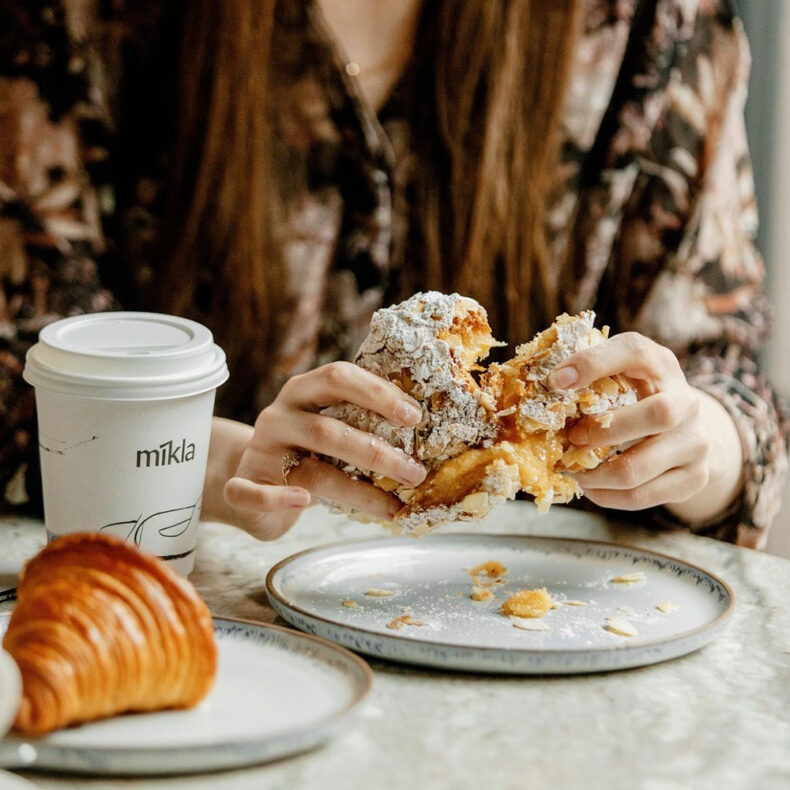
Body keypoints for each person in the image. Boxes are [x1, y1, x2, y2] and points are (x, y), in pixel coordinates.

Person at [0, 0, 786, 549]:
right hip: (205, 622)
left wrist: (698, 445)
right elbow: (21, 368)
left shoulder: (652, 26)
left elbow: (730, 381)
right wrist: (199, 460)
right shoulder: (81, 22)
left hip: (539, 637)